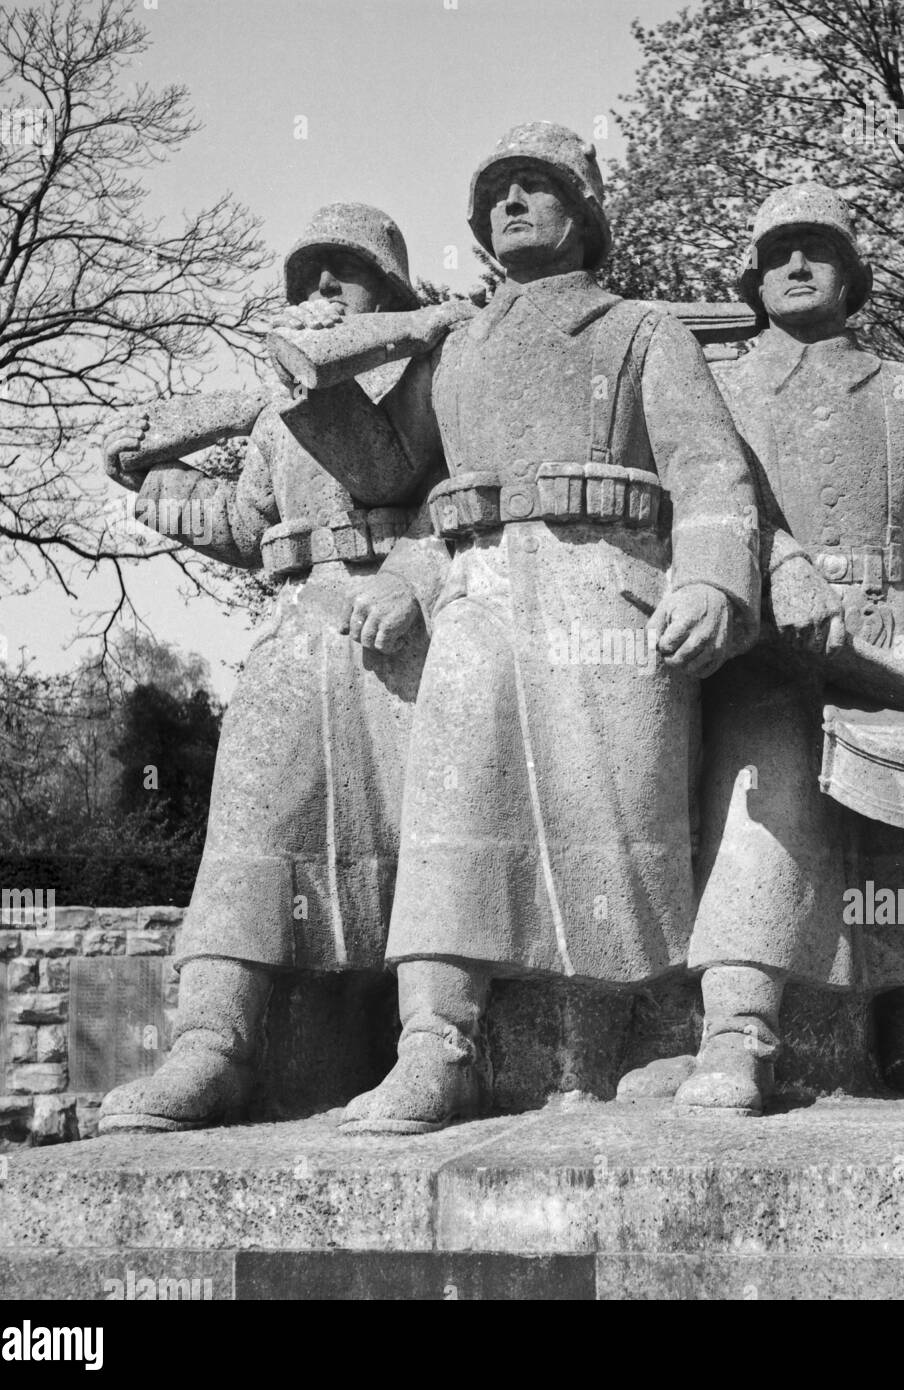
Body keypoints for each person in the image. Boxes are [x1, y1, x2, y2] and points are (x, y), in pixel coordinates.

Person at [320, 123, 761, 1134]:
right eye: (497, 193)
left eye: (536, 186)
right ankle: (433, 1042)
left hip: (606, 582)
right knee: (452, 802)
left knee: (613, 809)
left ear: (584, 211)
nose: (512, 204)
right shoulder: (455, 342)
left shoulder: (641, 327)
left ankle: (641, 1027)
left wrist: (710, 579)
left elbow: (707, 470)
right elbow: (395, 479)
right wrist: (331, 365)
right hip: (476, 586)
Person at [98, 204, 466, 1132]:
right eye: (306, 278)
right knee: (251, 826)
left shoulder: (431, 372)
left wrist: (416, 581)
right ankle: (210, 1044)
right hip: (296, 630)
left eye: (344, 274)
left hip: (399, 629)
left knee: (431, 842)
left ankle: (434, 1042)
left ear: (389, 288)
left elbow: (452, 502)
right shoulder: (277, 403)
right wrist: (178, 489)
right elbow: (254, 520)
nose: (320, 293)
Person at [670, 184, 904, 1113]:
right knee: (766, 819)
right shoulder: (717, 384)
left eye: (816, 251)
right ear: (754, 279)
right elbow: (710, 502)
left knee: (898, 845)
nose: (795, 266)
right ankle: (738, 1027)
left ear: (851, 277)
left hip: (893, 642)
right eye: (779, 252)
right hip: (769, 645)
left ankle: (899, 1015)